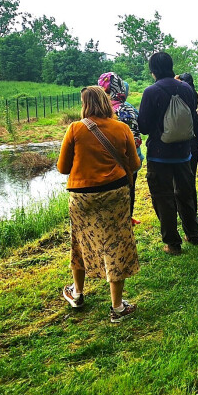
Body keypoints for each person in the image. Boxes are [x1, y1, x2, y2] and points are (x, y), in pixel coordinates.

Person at [57, 86, 141, 322]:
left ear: (85, 104)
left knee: (80, 240)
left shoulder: (75, 129)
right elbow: (133, 164)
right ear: (105, 102)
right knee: (115, 243)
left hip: (82, 196)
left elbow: (63, 168)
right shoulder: (121, 128)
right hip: (115, 193)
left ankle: (77, 293)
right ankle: (117, 308)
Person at [139, 52, 198, 255]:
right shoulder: (186, 89)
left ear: (153, 71)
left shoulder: (151, 92)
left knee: (163, 197)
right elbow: (193, 117)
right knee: (185, 194)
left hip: (159, 154)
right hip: (184, 152)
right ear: (171, 66)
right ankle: (193, 234)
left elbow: (144, 126)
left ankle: (172, 243)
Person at [98, 72, 142, 224]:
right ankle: (128, 218)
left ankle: (114, 222)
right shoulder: (129, 108)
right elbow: (141, 127)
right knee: (130, 190)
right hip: (132, 159)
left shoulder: (101, 111)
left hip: (109, 162)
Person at [176, 72, 198, 178]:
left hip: (181, 134)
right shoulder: (194, 92)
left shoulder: (180, 91)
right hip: (193, 132)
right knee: (192, 172)